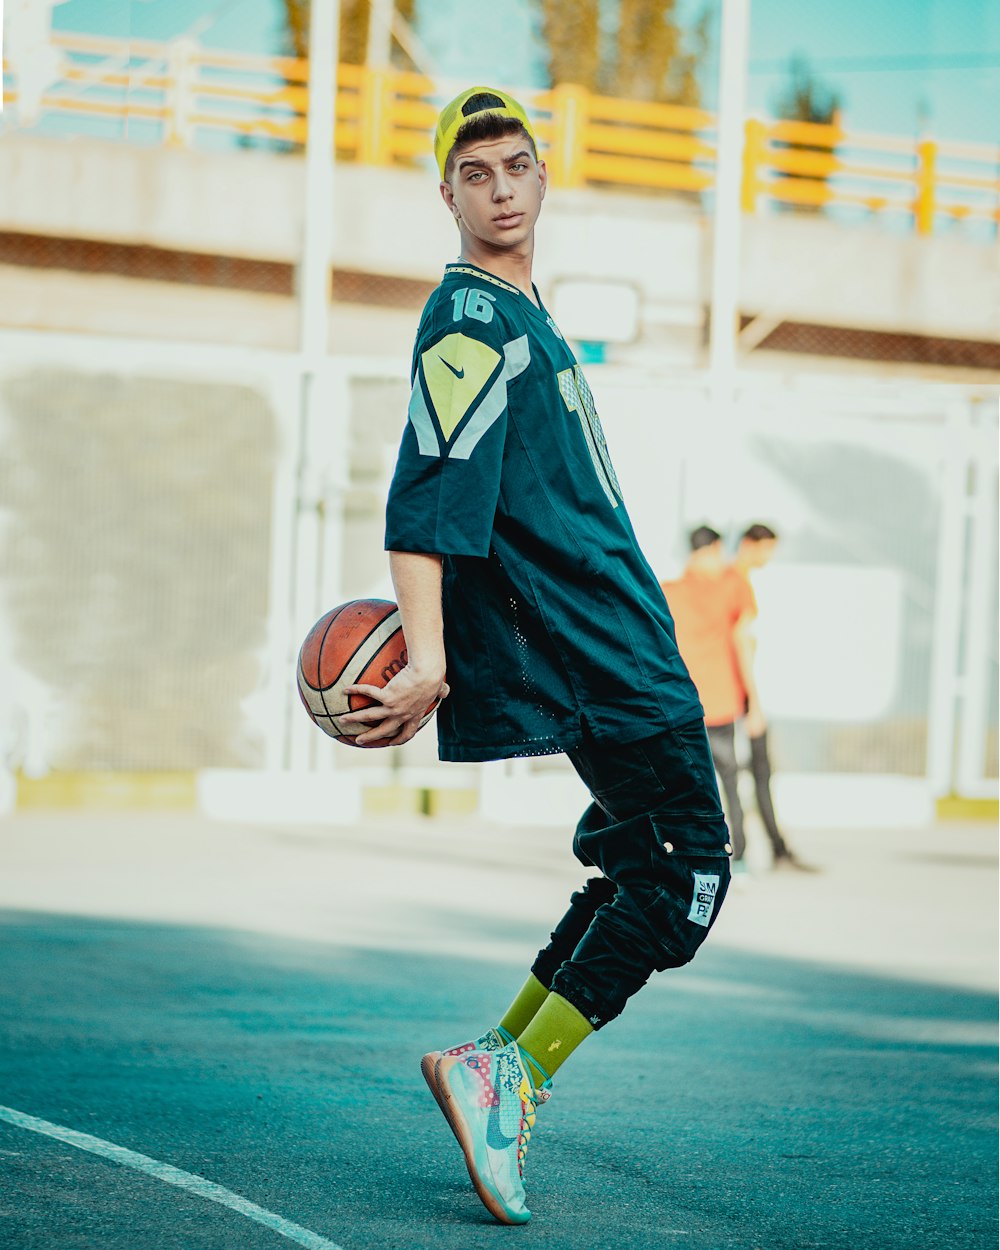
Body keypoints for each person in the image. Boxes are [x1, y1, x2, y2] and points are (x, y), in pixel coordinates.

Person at [338, 86, 732, 1226]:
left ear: (541, 178)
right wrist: (428, 657)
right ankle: (514, 1071)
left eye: (517, 168)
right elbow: (425, 505)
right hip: (605, 654)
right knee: (684, 879)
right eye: (477, 175)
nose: (501, 190)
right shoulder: (469, 319)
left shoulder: (525, 308)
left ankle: (496, 1057)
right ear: (446, 192)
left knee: (633, 873)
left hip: (622, 636)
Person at [661, 526, 811, 876]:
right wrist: (754, 703)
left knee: (686, 782)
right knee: (730, 782)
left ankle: (685, 855)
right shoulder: (730, 588)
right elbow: (742, 643)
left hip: (683, 704)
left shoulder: (669, 591)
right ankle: (737, 854)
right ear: (714, 549)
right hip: (722, 701)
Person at [732, 523, 814, 872]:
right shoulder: (736, 583)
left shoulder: (733, 580)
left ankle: (773, 847)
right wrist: (754, 703)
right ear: (751, 545)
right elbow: (740, 645)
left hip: (736, 694)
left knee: (756, 771)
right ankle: (756, 851)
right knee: (752, 771)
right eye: (767, 550)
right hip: (738, 696)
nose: (769, 558)